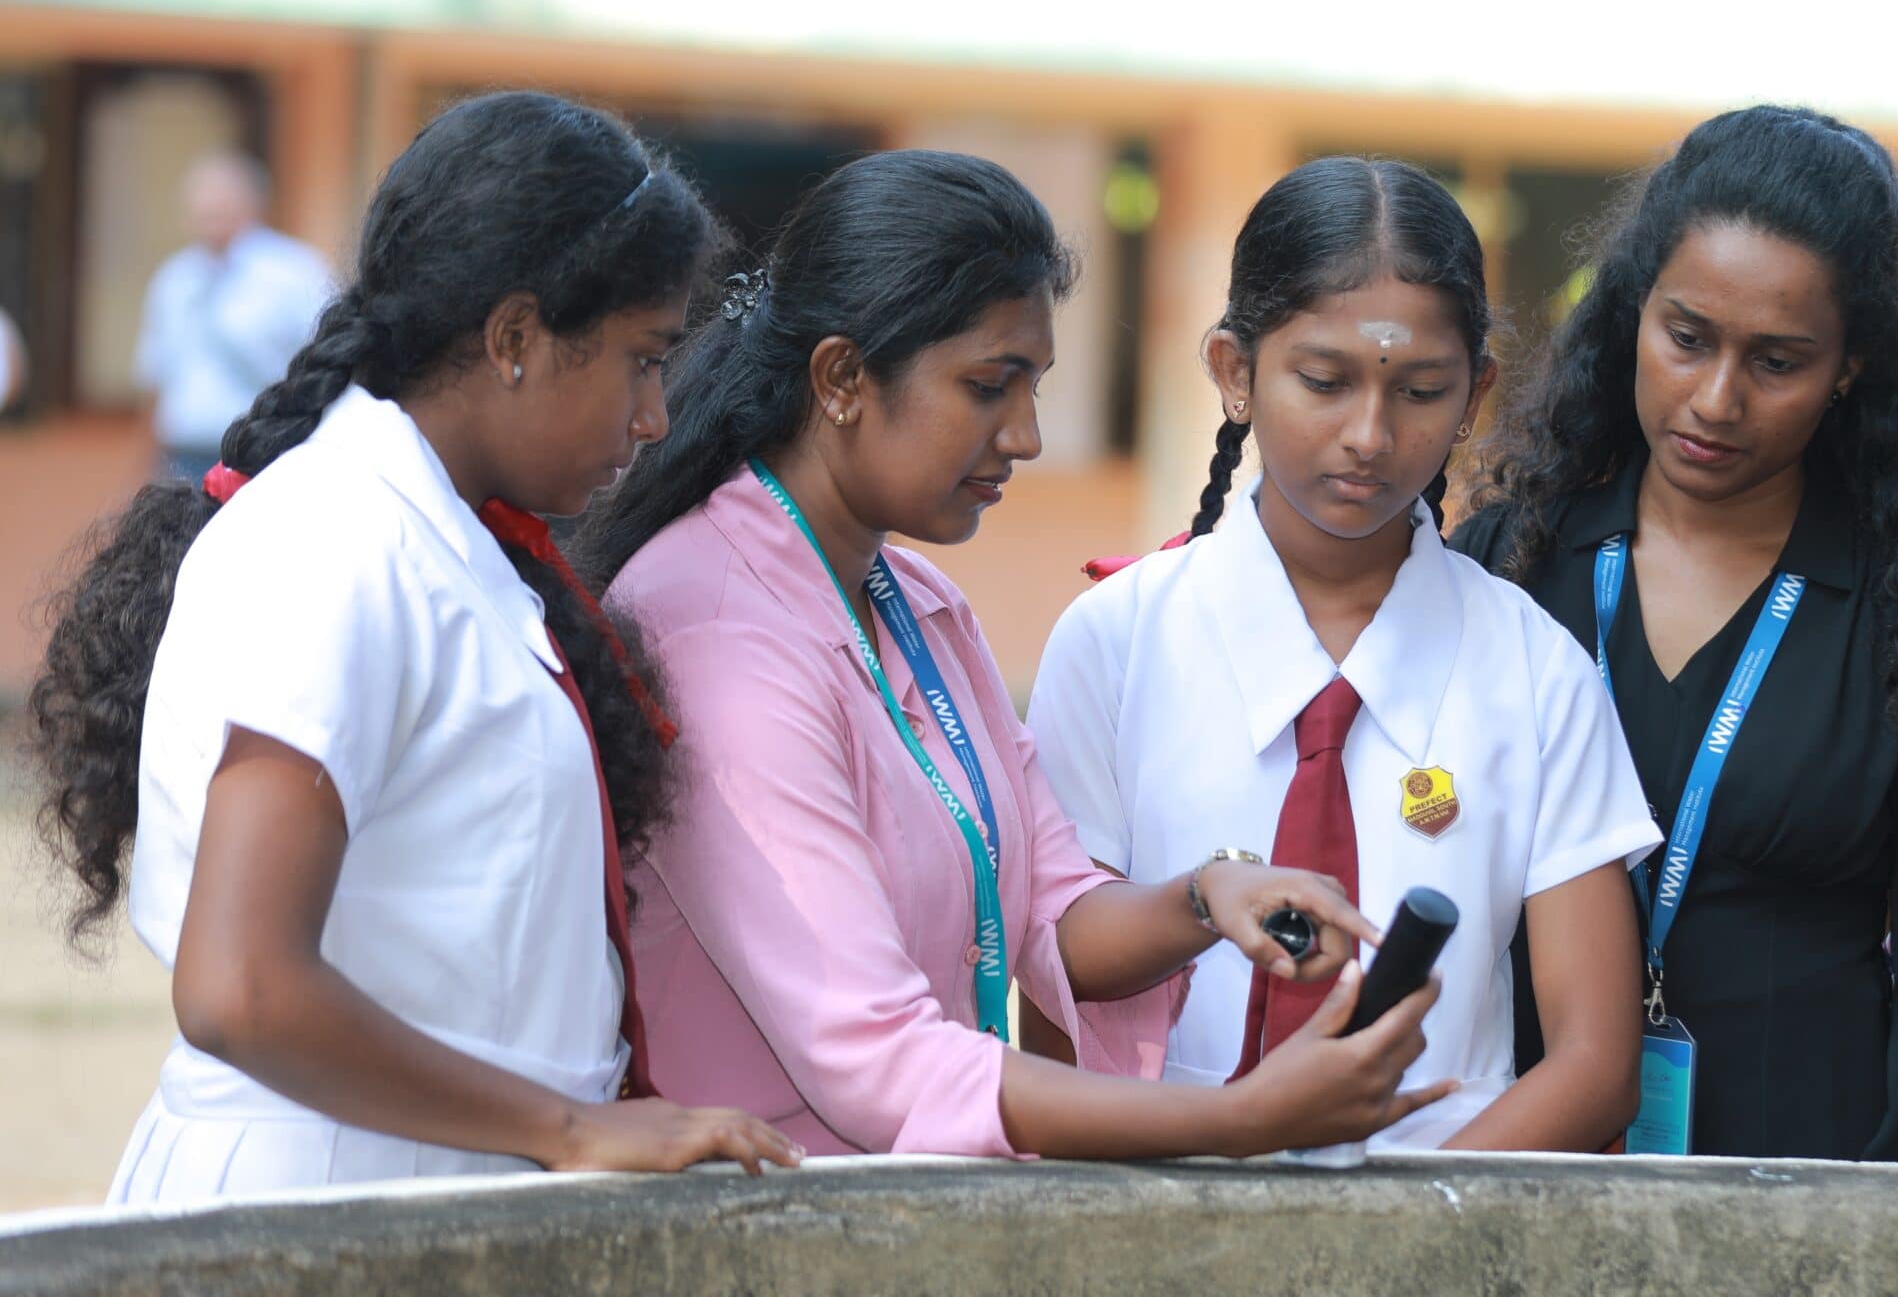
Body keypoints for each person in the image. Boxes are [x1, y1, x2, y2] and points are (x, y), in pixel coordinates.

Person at [573, 149, 1450, 1160]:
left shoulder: (917, 605)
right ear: (843, 378)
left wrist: (1208, 896)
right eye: (990, 387)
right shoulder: (715, 628)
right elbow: (878, 1058)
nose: (1026, 436)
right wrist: (1242, 1117)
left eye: (1032, 387)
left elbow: (1044, 902)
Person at [27, 91, 799, 1205]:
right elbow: (241, 988)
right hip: (323, 1196)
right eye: (641, 360)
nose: (654, 418)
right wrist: (571, 1129)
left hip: (425, 1181)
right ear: (516, 339)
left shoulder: (455, 545)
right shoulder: (335, 542)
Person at [1030, 156, 1662, 1153]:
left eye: (1418, 389)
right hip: (1158, 1206)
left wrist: (1406, 1242)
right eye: (1322, 381)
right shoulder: (1119, 639)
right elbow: (1055, 961)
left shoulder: (1535, 671)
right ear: (1234, 371)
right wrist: (1201, 899)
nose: (1369, 435)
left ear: (1475, 392)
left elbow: (1594, 1064)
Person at [1454, 106, 1898, 1162]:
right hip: (1512, 1180)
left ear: (1851, 366)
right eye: (1686, 338)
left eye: (1777, 361)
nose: (1715, 400)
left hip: (1810, 1207)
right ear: (1632, 310)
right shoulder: (1507, 567)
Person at [133, 152, 335, 481]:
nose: (207, 220)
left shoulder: (293, 272)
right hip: (183, 453)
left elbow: (322, 358)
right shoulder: (175, 278)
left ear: (250, 206)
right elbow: (155, 375)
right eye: (200, 211)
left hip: (263, 451)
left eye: (218, 209)